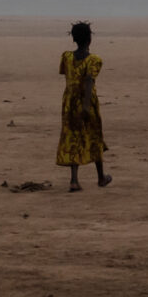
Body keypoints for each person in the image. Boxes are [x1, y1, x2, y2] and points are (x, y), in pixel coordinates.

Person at [56, 19, 109, 191]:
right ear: (89, 39)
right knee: (94, 136)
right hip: (87, 101)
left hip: (69, 102)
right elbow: (88, 81)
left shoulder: (67, 57)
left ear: (74, 39)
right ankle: (100, 177)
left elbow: (66, 74)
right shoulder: (94, 60)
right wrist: (86, 106)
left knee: (72, 137)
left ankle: (74, 180)